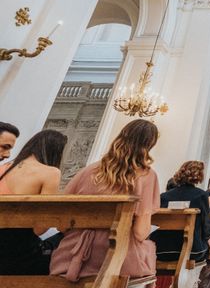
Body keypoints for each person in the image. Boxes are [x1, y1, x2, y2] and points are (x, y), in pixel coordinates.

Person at [50, 120, 160, 281]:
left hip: (70, 256)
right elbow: (140, 232)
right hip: (116, 259)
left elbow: (61, 225)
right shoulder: (146, 175)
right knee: (149, 250)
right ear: (149, 145)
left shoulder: (88, 170)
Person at [0, 129, 67, 275]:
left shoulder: (3, 167)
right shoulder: (51, 173)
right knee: (66, 237)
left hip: (5, 248)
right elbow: (41, 227)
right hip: (17, 255)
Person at [152, 161, 210, 263]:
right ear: (199, 176)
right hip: (192, 250)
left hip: (162, 250)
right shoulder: (201, 195)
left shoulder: (164, 196)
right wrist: (208, 238)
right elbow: (206, 224)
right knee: (207, 246)